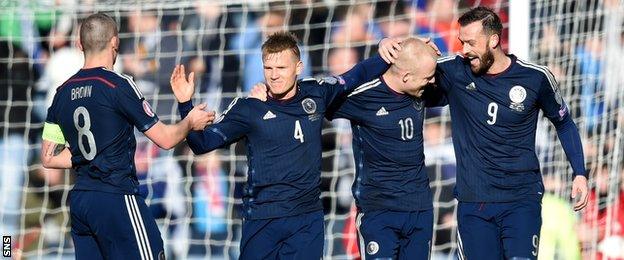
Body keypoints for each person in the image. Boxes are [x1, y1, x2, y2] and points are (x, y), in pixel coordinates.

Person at [379, 6, 589, 260]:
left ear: (493, 40)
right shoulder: (453, 72)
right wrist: (390, 49)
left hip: (521, 199)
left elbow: (564, 122)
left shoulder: (535, 78)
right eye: (461, 42)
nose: (464, 50)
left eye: (470, 43)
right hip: (474, 203)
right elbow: (405, 80)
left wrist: (579, 172)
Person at [171, 31, 390, 259]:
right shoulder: (248, 108)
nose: (274, 76)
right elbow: (201, 145)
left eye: (281, 68)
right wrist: (185, 104)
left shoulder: (316, 93)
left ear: (298, 67)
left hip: (306, 219)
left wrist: (386, 50)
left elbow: (356, 75)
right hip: (261, 219)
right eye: (268, 69)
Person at [40, 13, 214, 259]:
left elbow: (48, 157)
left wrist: (88, 153)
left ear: (80, 45)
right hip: (117, 198)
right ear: (115, 43)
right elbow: (165, 139)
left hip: (81, 202)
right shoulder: (118, 85)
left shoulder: (61, 93)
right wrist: (190, 121)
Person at [325, 38, 444, 259]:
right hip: (379, 211)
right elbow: (320, 99)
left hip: (419, 209)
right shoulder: (363, 96)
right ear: (406, 76)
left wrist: (435, 52)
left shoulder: (421, 88)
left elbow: (458, 78)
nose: (432, 81)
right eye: (428, 78)